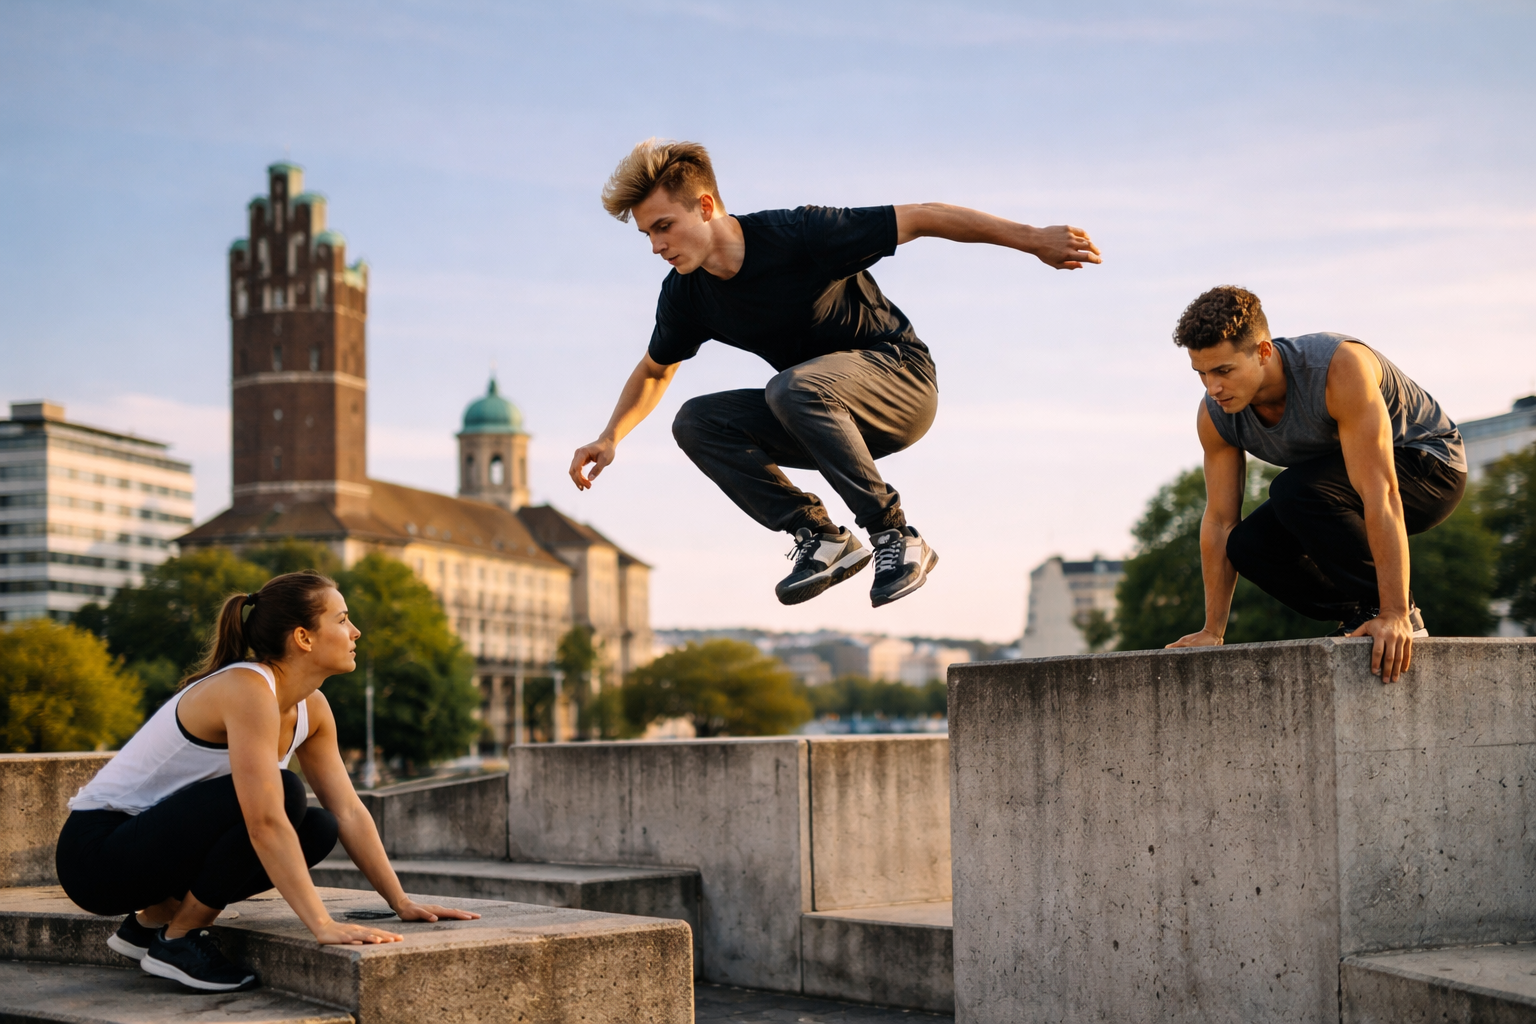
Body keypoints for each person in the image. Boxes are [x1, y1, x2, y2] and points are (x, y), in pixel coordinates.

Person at [569, 139, 1101, 608]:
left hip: (901, 383)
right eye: (647, 234)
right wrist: (610, 436)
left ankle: (897, 536)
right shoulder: (685, 295)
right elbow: (655, 369)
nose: (657, 246)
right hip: (819, 419)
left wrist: (1033, 238)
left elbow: (923, 216)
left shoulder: (800, 233)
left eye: (664, 226)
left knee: (793, 386)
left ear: (705, 206)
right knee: (697, 421)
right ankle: (821, 537)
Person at [55, 570, 480, 993]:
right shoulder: (248, 688)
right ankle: (179, 939)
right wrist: (322, 924)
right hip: (96, 856)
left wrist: (401, 901)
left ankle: (149, 925)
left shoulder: (313, 708)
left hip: (151, 849)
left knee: (320, 827)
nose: (355, 631)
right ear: (304, 638)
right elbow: (264, 822)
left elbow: (349, 810)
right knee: (286, 792)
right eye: (342, 619)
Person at [1165, 286, 1467, 682]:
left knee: (1294, 491)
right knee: (1247, 545)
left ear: (1263, 352)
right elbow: (1220, 521)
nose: (1213, 388)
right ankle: (1361, 614)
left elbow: (1380, 492)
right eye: (1201, 374)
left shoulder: (1337, 368)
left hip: (1428, 468)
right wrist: (1212, 631)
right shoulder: (1215, 415)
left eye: (1224, 371)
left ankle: (1396, 614)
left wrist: (1396, 611)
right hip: (1339, 486)